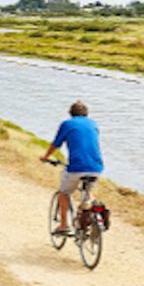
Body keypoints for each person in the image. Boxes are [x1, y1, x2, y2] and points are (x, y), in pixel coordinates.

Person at [40, 100, 102, 235]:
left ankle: (63, 225)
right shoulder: (93, 124)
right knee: (88, 190)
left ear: (71, 113)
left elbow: (56, 144)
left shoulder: (67, 124)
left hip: (77, 166)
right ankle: (87, 211)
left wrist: (45, 156)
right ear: (86, 113)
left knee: (64, 193)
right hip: (96, 167)